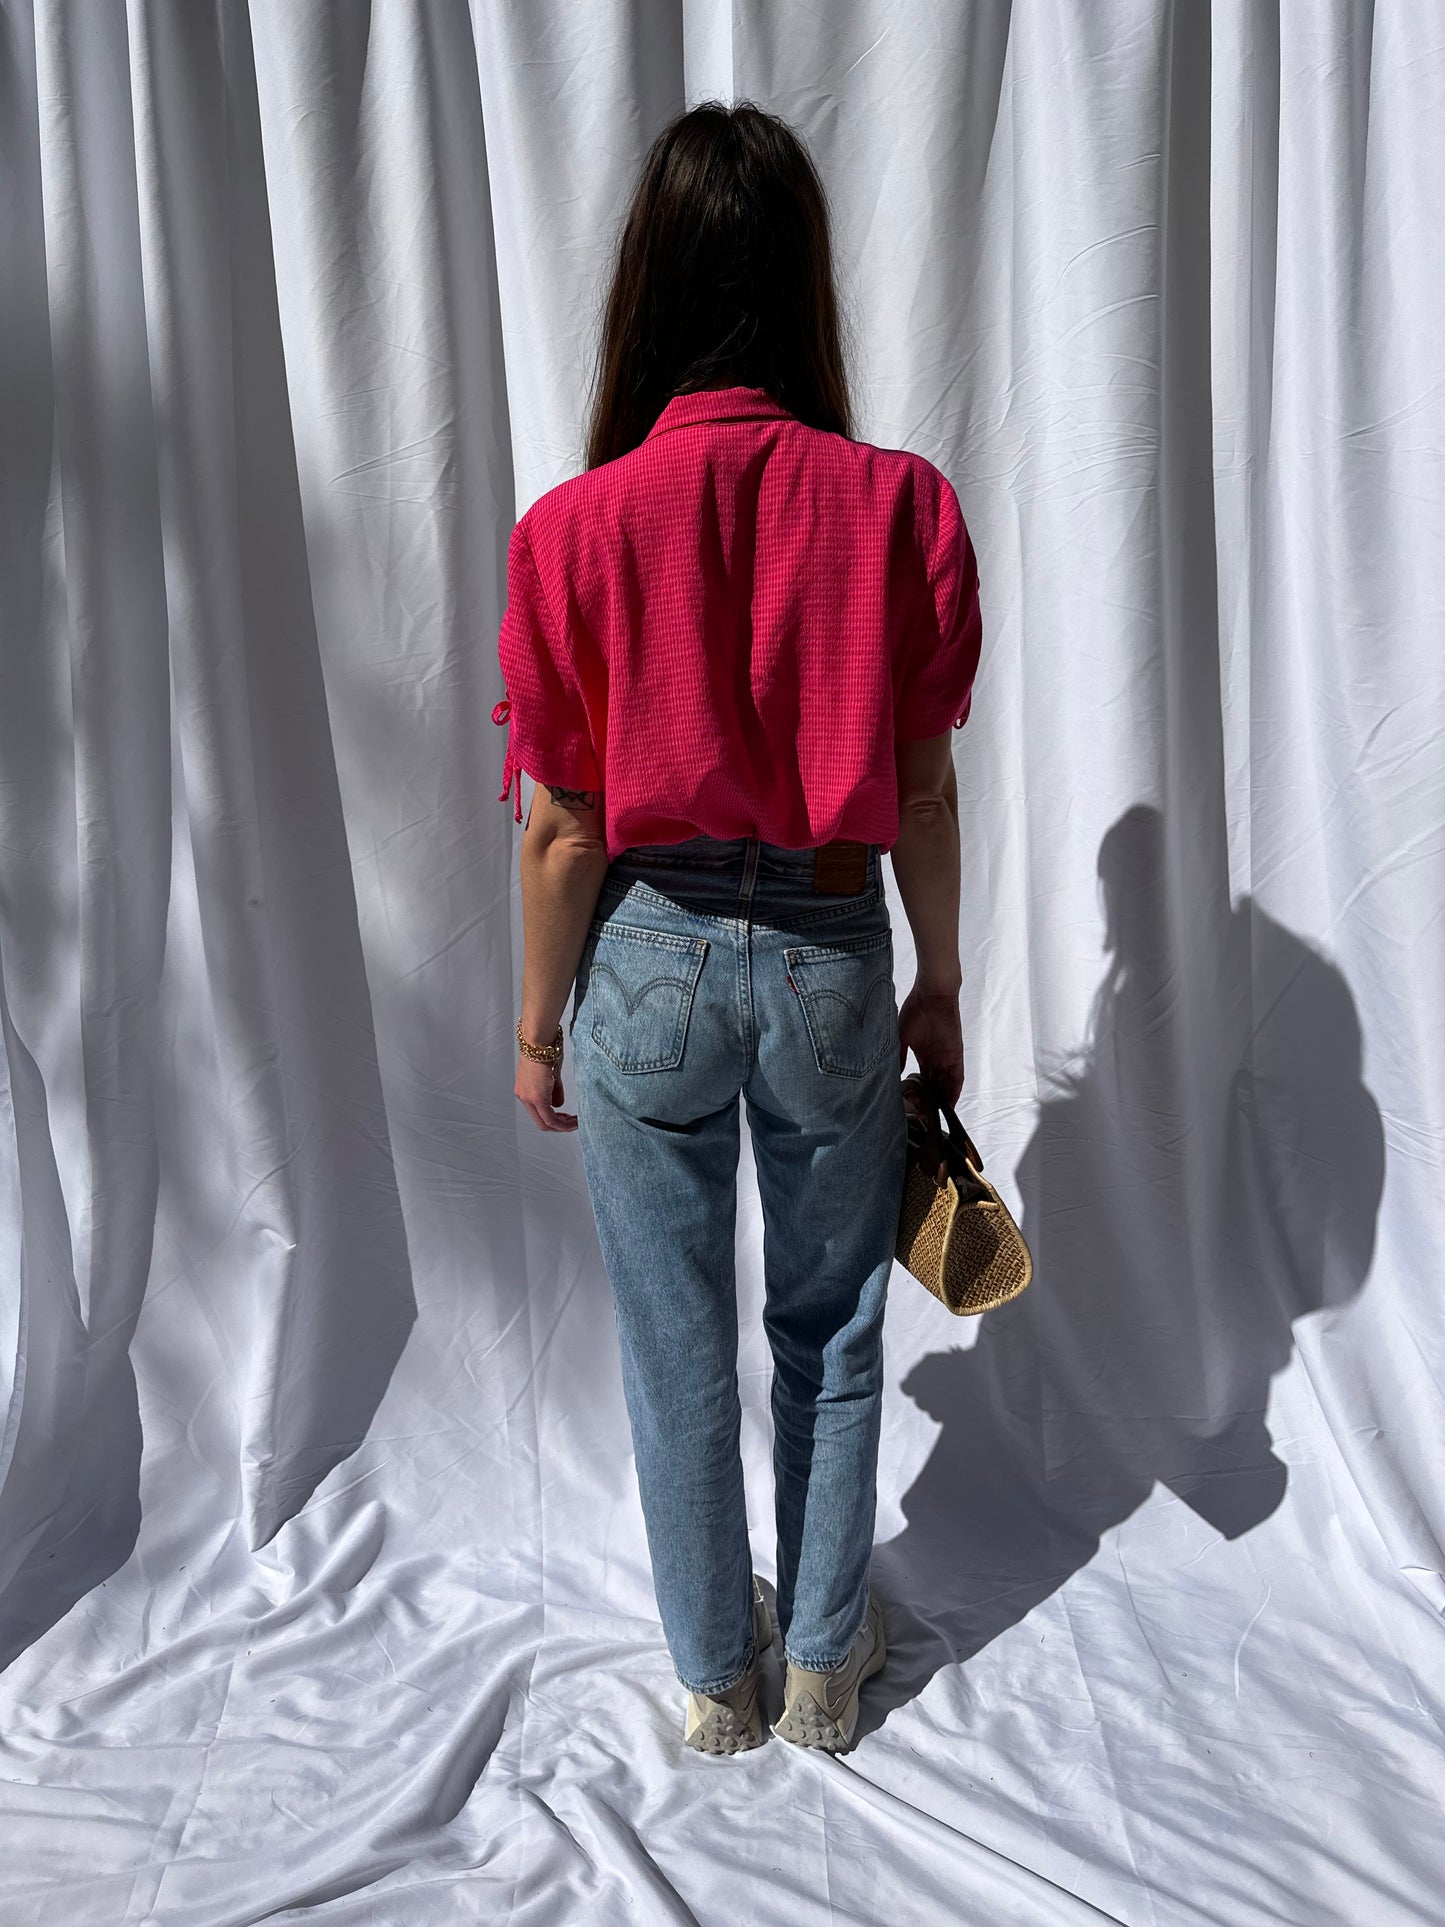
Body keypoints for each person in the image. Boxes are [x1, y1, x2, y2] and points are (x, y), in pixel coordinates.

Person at [492, 100, 980, 1756]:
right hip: (837, 957)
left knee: (674, 1334)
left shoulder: (573, 528)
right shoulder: (899, 506)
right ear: (804, 286)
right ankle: (829, 1673)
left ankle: (717, 1682)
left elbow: (560, 827)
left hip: (649, 956)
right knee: (833, 1327)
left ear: (648, 285)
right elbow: (918, 795)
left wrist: (539, 1024)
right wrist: (943, 986)